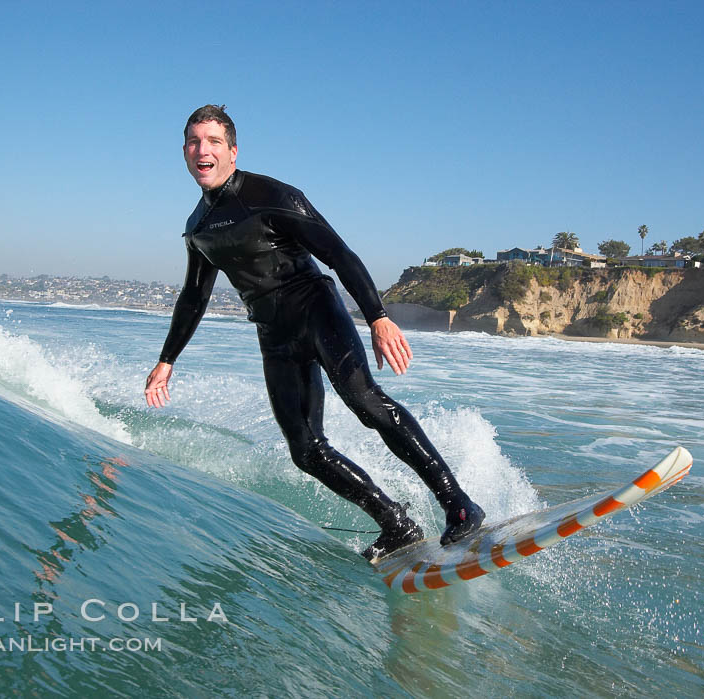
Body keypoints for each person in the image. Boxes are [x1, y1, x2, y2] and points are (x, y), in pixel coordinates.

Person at [144, 105, 484, 561]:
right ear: (184, 151)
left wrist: (378, 316)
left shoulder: (273, 195)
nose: (201, 150)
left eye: (213, 141)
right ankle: (396, 523)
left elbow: (337, 252)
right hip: (273, 335)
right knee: (305, 450)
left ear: (232, 151)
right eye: (193, 142)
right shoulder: (197, 227)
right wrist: (168, 360)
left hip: (315, 310)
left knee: (366, 402)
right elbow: (193, 298)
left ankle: (458, 504)